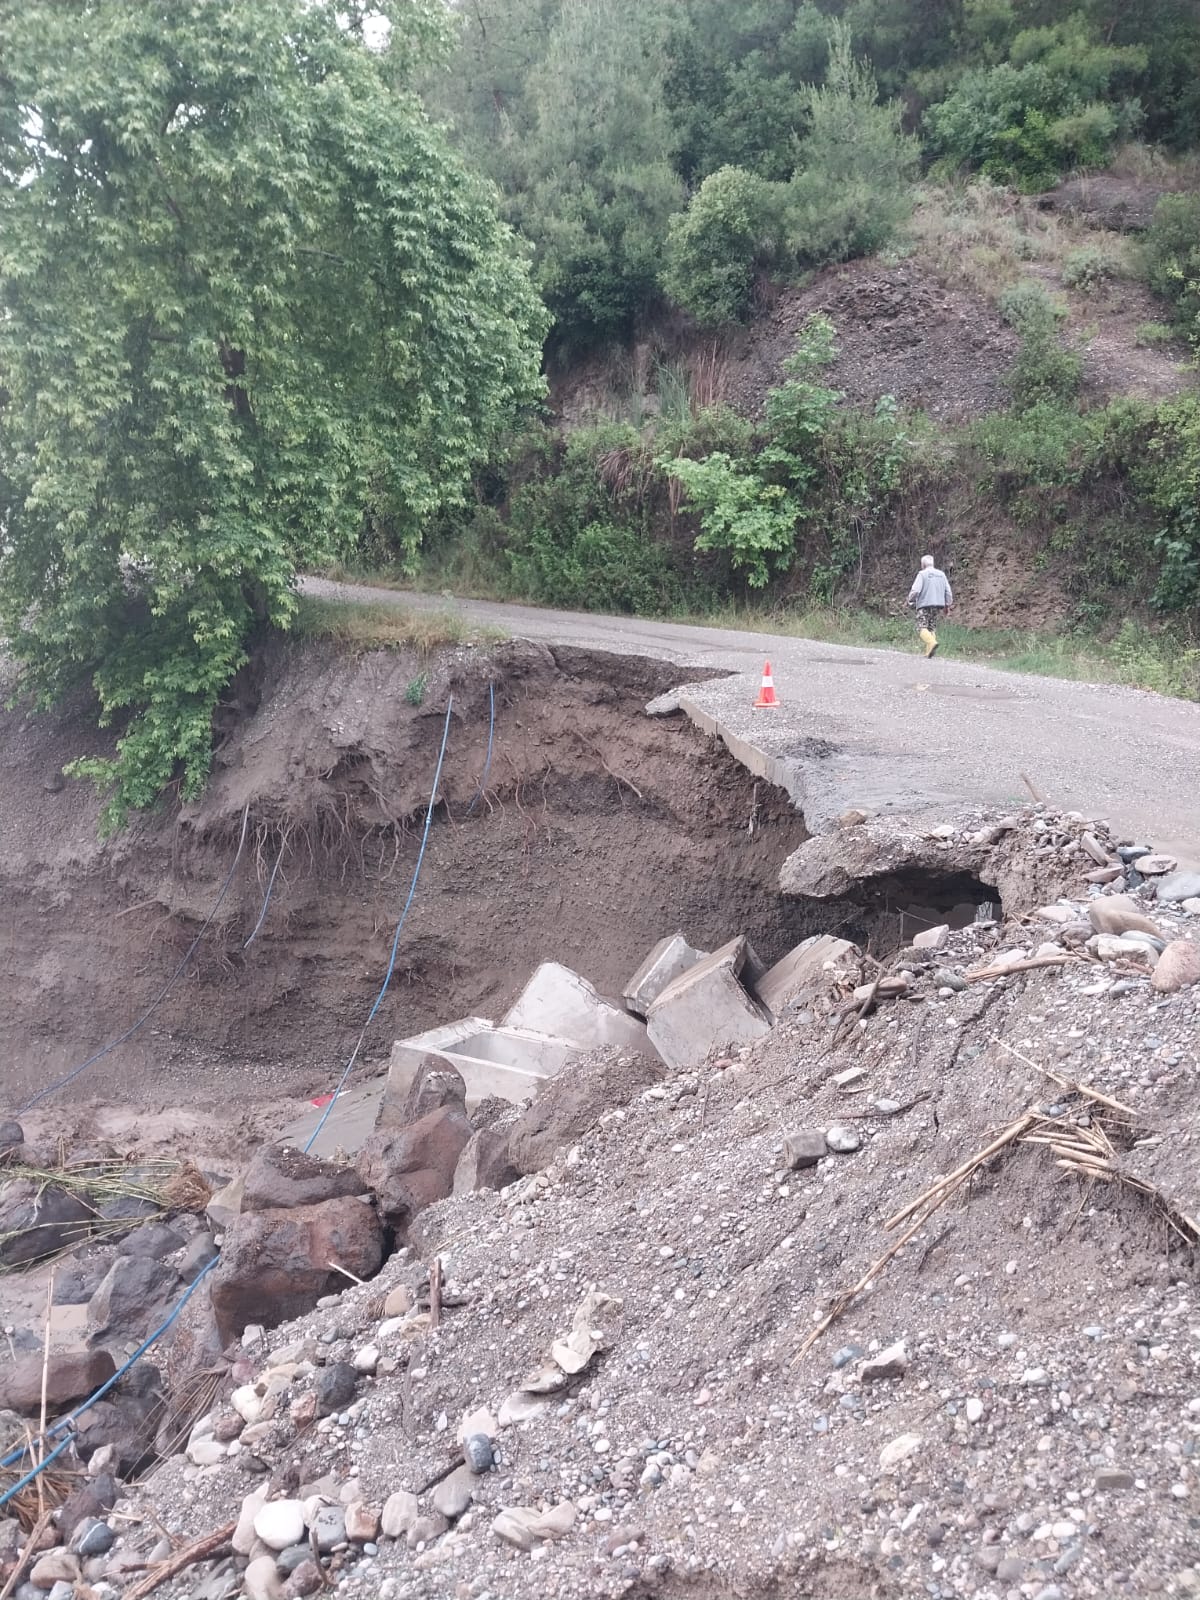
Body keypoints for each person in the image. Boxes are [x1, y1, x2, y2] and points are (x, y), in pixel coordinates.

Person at [907, 554, 953, 658]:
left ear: (923, 565)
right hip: (938, 605)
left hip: (924, 604)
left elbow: (916, 590)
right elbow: (948, 592)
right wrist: (947, 605)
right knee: (931, 627)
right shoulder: (941, 574)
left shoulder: (922, 574)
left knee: (921, 627)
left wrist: (910, 599)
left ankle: (932, 643)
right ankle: (929, 652)